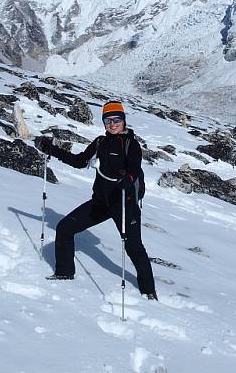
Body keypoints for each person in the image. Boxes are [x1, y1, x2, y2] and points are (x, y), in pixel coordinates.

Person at [35, 100, 158, 300]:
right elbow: (79, 161)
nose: (112, 123)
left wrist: (128, 179)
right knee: (65, 228)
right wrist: (52, 150)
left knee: (134, 247)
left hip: (124, 205)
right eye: (107, 120)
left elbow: (134, 167)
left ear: (124, 120)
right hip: (100, 203)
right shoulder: (101, 142)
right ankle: (64, 273)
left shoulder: (131, 145)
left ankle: (149, 291)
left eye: (116, 119)